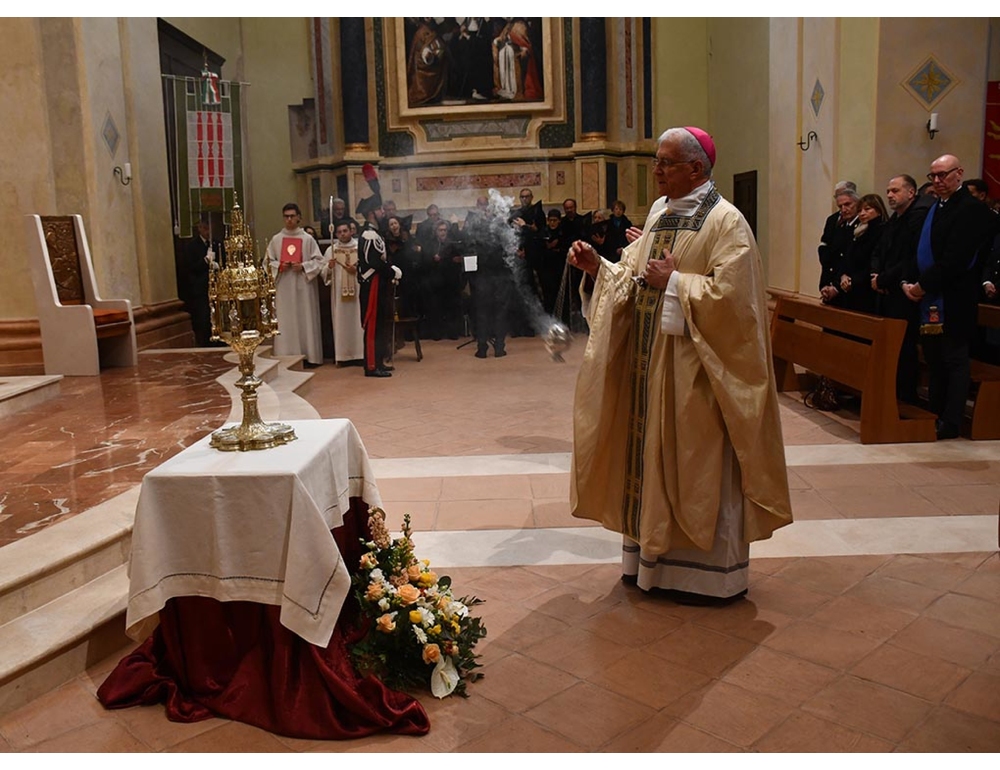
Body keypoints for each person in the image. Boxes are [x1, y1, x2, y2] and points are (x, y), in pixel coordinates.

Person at [567, 126, 792, 603]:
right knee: (650, 460)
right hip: (649, 371)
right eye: (656, 161)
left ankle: (704, 578)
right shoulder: (659, 215)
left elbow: (738, 305)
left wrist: (676, 283)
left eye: (666, 163)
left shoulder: (727, 223)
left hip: (698, 375)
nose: (656, 170)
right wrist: (598, 269)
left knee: (696, 464)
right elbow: (631, 279)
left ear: (696, 169)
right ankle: (650, 566)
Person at [902, 154, 994, 439]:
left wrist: (920, 287)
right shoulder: (934, 208)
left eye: (943, 175)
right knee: (934, 359)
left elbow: (956, 259)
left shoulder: (971, 210)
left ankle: (951, 421)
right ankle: (935, 412)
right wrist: (909, 281)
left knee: (954, 360)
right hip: (931, 295)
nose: (938, 181)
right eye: (933, 176)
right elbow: (919, 251)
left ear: (959, 174)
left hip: (955, 298)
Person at [871, 174, 932, 403]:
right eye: (888, 191)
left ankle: (905, 396)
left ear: (911, 193)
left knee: (905, 348)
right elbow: (878, 251)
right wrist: (875, 276)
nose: (889, 195)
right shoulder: (894, 221)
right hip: (886, 290)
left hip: (902, 293)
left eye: (895, 191)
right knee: (889, 347)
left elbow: (910, 257)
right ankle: (889, 391)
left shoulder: (917, 219)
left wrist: (884, 279)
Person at [266, 203, 325, 368]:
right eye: (286, 216)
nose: (289, 219)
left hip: (303, 287)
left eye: (292, 216)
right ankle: (286, 354)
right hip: (284, 286)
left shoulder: (307, 239)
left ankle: (309, 355)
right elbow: (267, 262)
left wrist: (304, 266)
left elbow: (319, 261)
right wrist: (279, 266)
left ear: (299, 217)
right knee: (286, 320)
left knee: (305, 317)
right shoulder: (276, 240)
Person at [356, 197, 401, 377]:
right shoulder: (368, 234)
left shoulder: (375, 233)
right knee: (373, 324)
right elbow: (373, 261)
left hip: (379, 282)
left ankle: (379, 361)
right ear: (371, 213)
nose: (383, 212)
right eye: (380, 210)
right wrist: (392, 271)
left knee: (381, 323)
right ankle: (372, 365)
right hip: (372, 283)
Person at [321, 221, 364, 366]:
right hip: (339, 294)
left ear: (351, 231)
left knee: (358, 320)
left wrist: (356, 270)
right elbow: (324, 273)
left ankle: (360, 354)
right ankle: (343, 356)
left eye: (345, 231)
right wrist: (329, 266)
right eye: (339, 232)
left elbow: (367, 268)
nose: (342, 234)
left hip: (357, 291)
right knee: (341, 322)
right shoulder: (331, 250)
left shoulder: (360, 247)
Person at [837, 193, 887, 314]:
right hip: (852, 288)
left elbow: (873, 261)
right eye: (859, 210)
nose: (862, 213)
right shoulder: (858, 232)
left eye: (867, 209)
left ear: (879, 210)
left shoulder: (882, 231)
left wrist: (853, 280)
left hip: (868, 289)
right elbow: (847, 257)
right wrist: (843, 275)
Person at [178, 218, 219, 347]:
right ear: (200, 228)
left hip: (216, 285)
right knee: (203, 317)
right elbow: (189, 267)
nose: (208, 232)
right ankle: (205, 341)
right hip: (200, 287)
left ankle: (217, 339)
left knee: (216, 315)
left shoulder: (216, 244)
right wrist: (205, 261)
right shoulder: (192, 246)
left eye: (210, 229)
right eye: (205, 229)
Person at [818, 184, 860, 306]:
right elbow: (827, 251)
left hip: (849, 288)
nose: (843, 209)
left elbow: (851, 259)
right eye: (840, 206)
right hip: (833, 284)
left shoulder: (861, 226)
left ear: (857, 203)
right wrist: (826, 284)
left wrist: (837, 287)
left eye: (847, 205)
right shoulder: (838, 224)